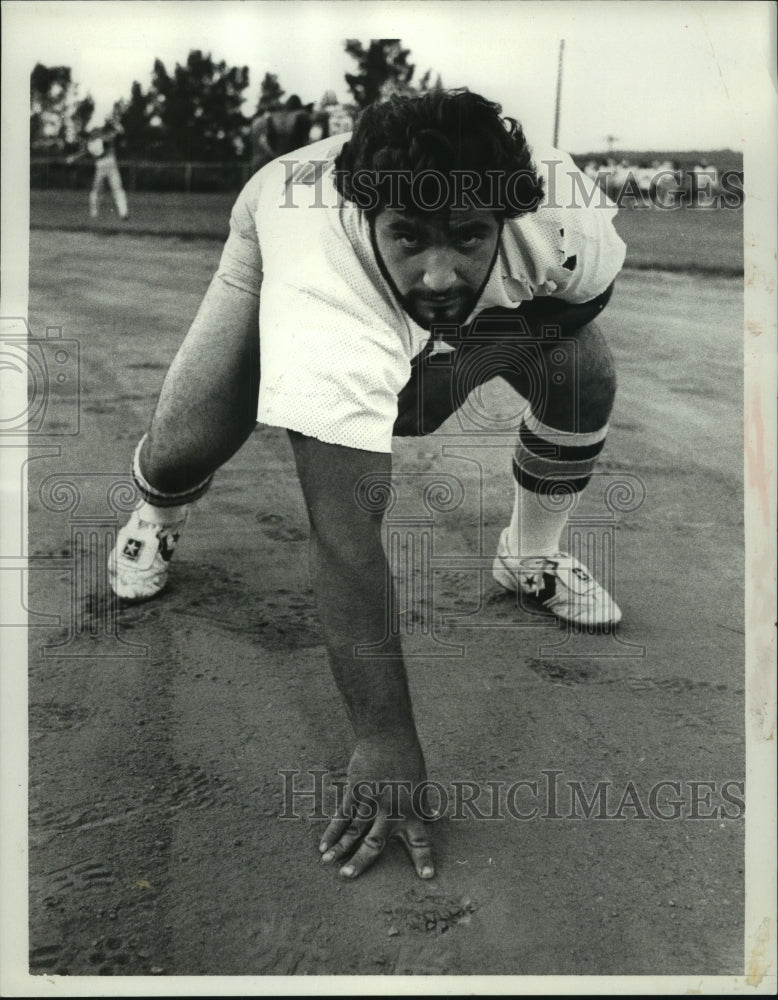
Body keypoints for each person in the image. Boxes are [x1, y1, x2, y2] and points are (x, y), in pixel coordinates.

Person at [107, 89, 626, 880]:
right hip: (282, 205)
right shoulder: (327, 284)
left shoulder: (565, 217)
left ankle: (532, 555)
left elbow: (581, 305)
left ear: (510, 217)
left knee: (583, 370)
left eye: (468, 236)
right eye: (409, 238)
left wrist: (459, 361)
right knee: (189, 441)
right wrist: (384, 740)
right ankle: (157, 509)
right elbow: (346, 537)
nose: (440, 271)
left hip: (441, 247)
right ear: (367, 216)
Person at [69, 124, 129, 220]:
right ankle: (94, 213)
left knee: (116, 189)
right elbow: (85, 151)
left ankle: (123, 213)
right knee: (98, 191)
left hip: (109, 163)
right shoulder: (92, 143)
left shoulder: (103, 139)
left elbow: (115, 136)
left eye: (96, 131)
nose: (95, 133)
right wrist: (74, 157)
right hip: (102, 165)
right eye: (94, 132)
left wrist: (116, 126)